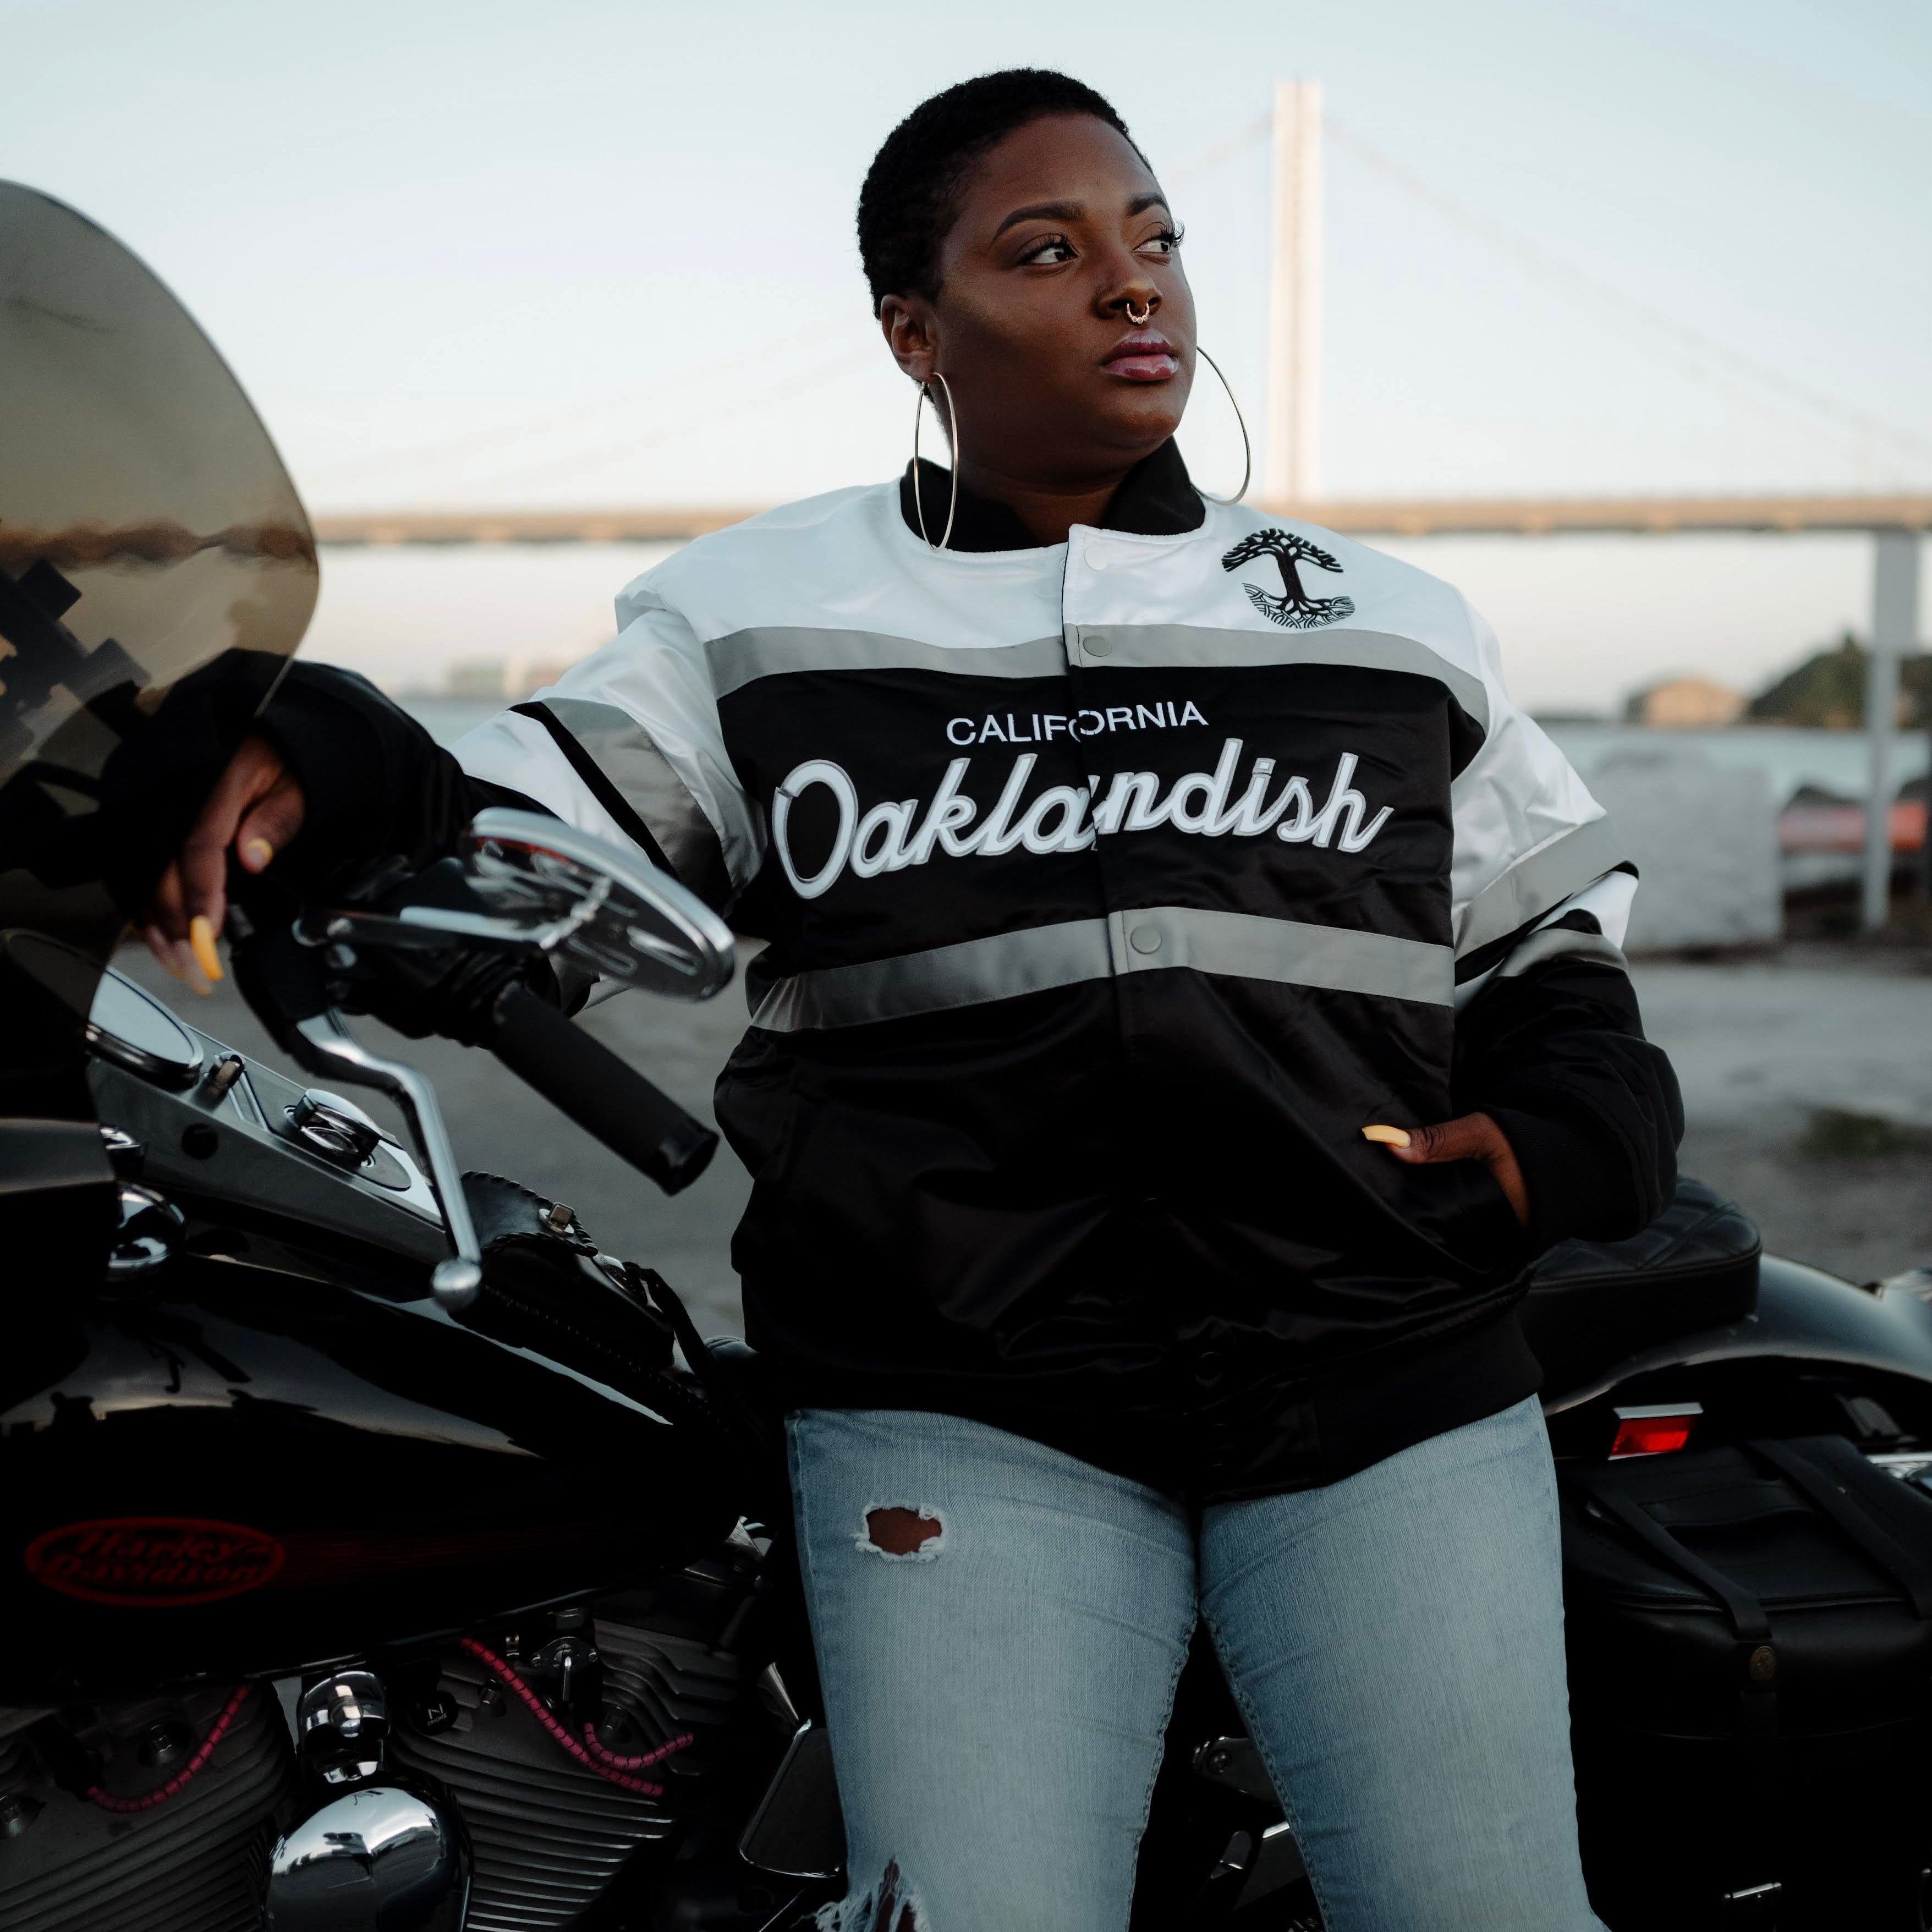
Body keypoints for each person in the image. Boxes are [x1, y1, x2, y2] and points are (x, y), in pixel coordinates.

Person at [146, 69, 1678, 1932]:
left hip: (1383, 1384)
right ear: (914, 329)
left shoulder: (1382, 614)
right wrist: (316, 744)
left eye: (1155, 240)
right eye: (1049, 251)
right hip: (965, 1406)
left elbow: (1542, 948)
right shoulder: (753, 614)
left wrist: (1561, 1140)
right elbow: (517, 801)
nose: (1136, 288)